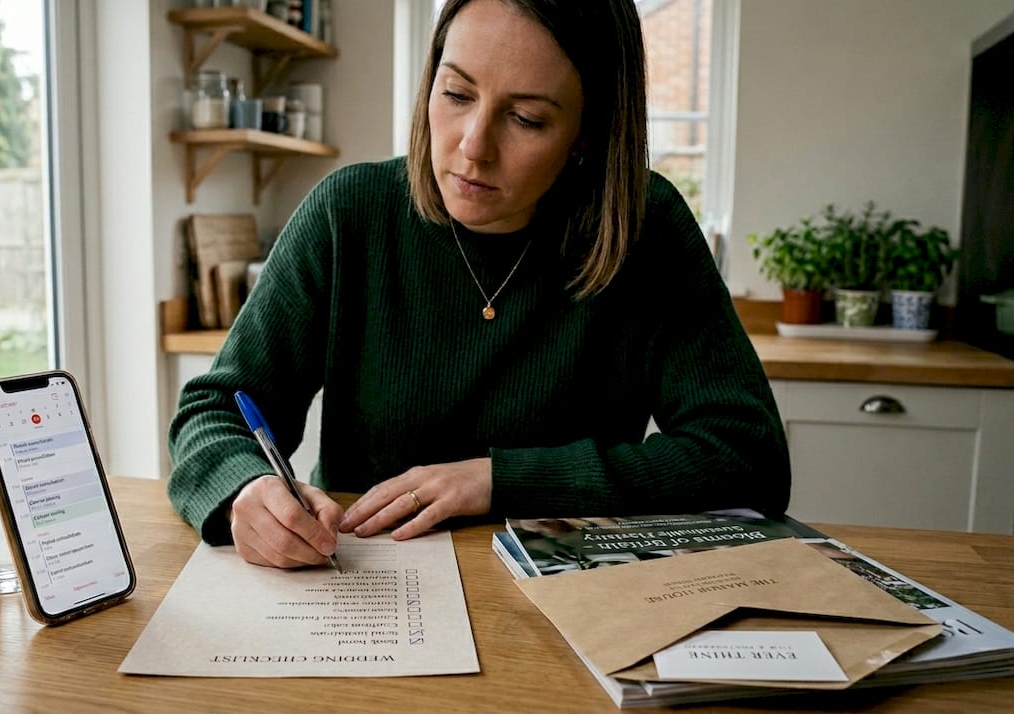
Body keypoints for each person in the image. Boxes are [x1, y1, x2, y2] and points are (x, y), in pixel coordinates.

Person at [167, 0, 790, 569]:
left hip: (570, 605)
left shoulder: (645, 228)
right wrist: (245, 491)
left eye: (525, 118)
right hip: (364, 590)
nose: (473, 146)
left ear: (587, 135)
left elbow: (748, 458)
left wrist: (499, 481)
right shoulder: (349, 212)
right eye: (457, 93)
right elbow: (214, 411)